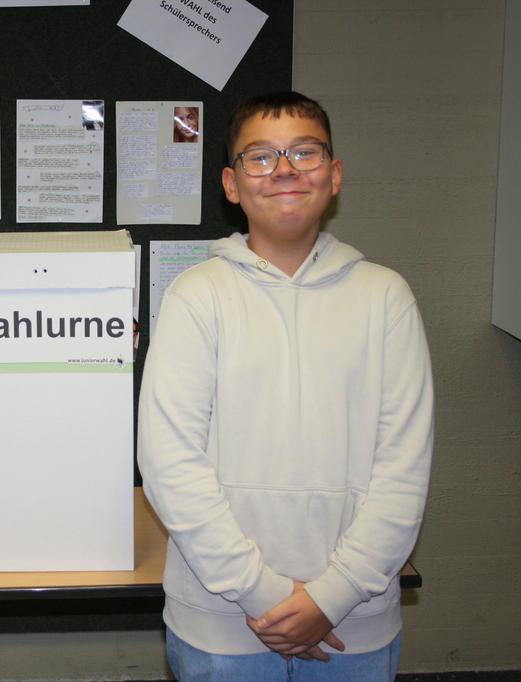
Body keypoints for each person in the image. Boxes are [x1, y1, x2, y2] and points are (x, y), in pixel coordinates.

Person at [138, 91, 433, 681]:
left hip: (354, 623)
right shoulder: (197, 296)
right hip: (222, 624)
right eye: (260, 157)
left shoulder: (385, 297)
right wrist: (263, 594)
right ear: (231, 184)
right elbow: (170, 463)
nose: (284, 170)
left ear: (335, 174)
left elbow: (404, 468)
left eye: (304, 152)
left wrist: (331, 597)